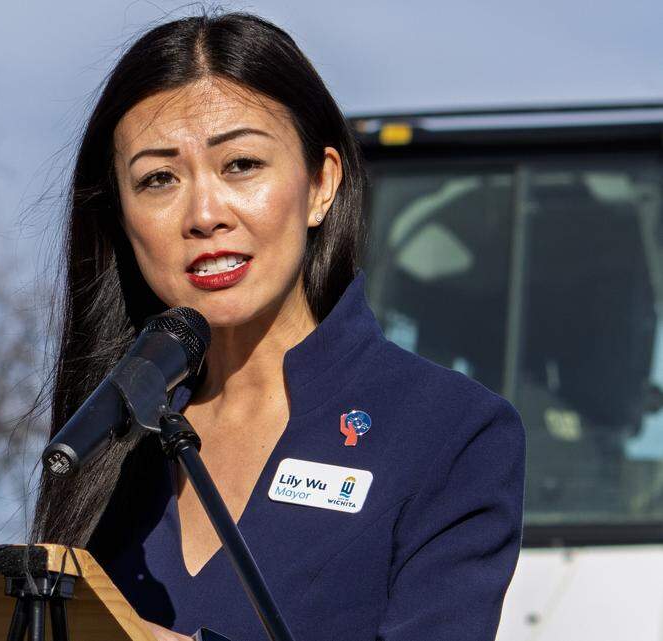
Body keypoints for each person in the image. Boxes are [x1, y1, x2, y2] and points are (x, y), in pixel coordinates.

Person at [30, 11, 525, 641]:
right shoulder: (106, 436)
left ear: (321, 185)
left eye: (240, 165)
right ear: (121, 220)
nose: (205, 214)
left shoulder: (450, 429)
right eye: (158, 179)